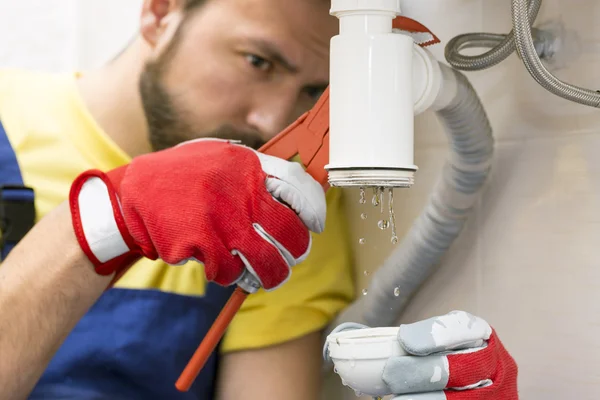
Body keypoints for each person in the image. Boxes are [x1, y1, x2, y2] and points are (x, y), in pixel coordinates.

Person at [0, 0, 518, 399]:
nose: (272, 121)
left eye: (312, 91)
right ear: (161, 14)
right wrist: (99, 223)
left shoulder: (283, 204)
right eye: (259, 61)